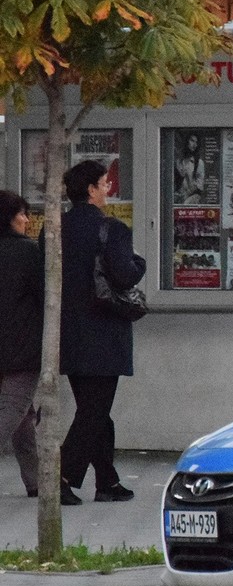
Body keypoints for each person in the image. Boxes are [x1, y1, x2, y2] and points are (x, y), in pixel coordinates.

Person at [55, 161, 145, 506]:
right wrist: (141, 264)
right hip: (104, 332)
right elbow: (125, 275)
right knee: (93, 410)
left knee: (94, 409)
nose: (109, 189)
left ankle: (107, 480)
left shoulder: (54, 227)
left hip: (68, 332)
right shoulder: (112, 229)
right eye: (105, 183)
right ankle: (62, 477)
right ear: (91, 189)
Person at [0, 190, 42, 499]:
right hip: (22, 347)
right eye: (23, 214)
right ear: (10, 218)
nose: (27, 220)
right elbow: (45, 299)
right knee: (11, 412)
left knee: (23, 418)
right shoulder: (29, 252)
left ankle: (36, 481)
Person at [174, 133, 205, 205]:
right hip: (179, 197)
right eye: (192, 141)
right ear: (187, 141)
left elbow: (200, 185)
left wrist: (187, 194)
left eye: (196, 142)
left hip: (192, 197)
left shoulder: (199, 163)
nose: (194, 144)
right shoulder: (179, 162)